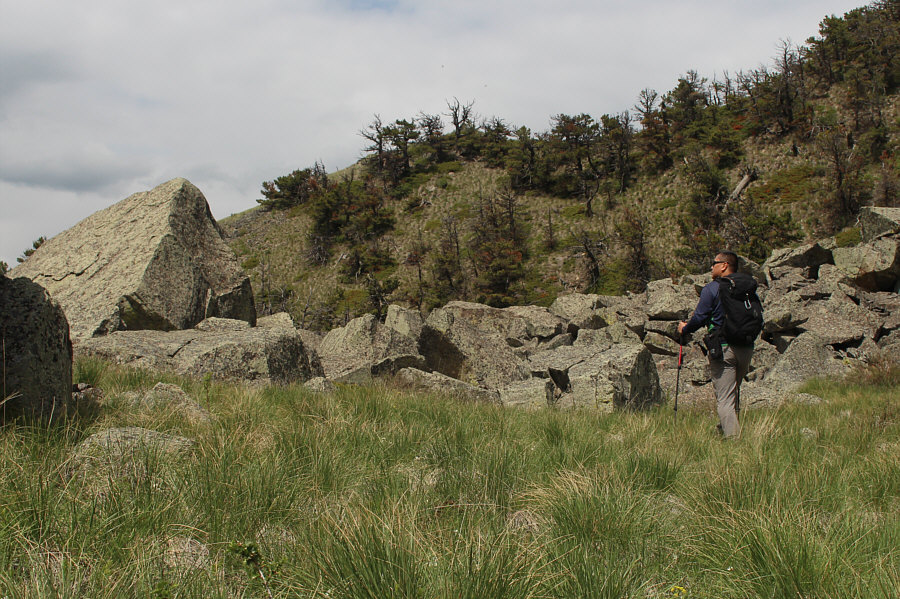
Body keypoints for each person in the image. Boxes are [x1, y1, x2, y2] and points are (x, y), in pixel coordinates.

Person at [677, 251, 754, 439]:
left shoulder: (712, 289)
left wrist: (685, 329)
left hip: (723, 348)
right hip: (746, 347)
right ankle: (724, 430)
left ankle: (734, 442)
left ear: (724, 265)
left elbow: (700, 317)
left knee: (725, 399)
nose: (712, 267)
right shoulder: (746, 287)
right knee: (733, 393)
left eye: (714, 263)